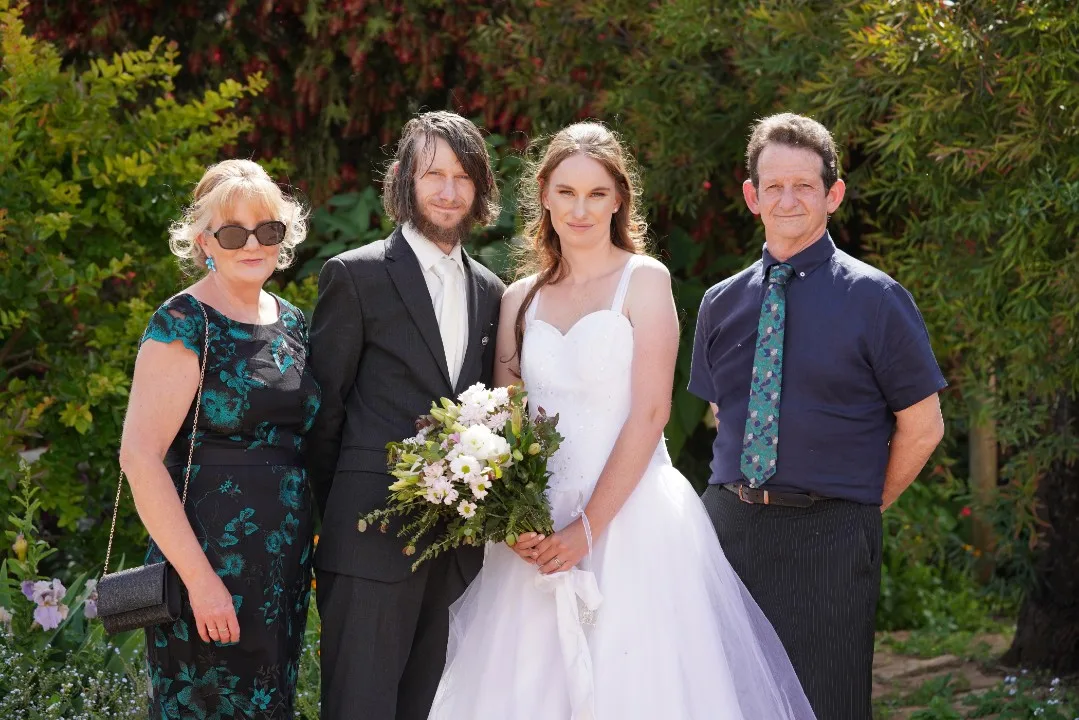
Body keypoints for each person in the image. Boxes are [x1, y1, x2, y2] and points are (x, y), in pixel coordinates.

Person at [429, 122, 815, 719]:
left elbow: (652, 412)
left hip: (632, 517)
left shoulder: (646, 281)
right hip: (539, 527)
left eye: (596, 194)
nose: (580, 209)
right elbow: (505, 417)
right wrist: (515, 520)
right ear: (545, 198)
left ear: (618, 201)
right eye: (566, 193)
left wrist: (586, 530)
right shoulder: (519, 298)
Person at [689, 112, 947, 719]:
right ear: (751, 196)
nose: (787, 199)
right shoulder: (719, 303)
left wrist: (861, 504)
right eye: (773, 185)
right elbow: (725, 417)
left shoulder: (876, 299)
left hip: (829, 536)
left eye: (804, 185)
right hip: (728, 532)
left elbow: (924, 425)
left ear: (833, 194)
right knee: (724, 701)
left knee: (825, 703)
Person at [306, 110, 506, 720]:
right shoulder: (355, 275)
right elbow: (323, 414)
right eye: (433, 174)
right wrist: (329, 521)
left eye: (462, 177)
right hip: (368, 545)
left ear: (479, 189)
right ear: (403, 181)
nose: (448, 191)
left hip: (459, 555)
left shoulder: (493, 291)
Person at [119, 159, 319, 718]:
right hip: (205, 563)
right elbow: (139, 457)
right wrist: (202, 583)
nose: (253, 244)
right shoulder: (184, 321)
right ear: (206, 240)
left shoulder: (293, 322)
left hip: (282, 567)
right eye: (234, 233)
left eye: (269, 230)